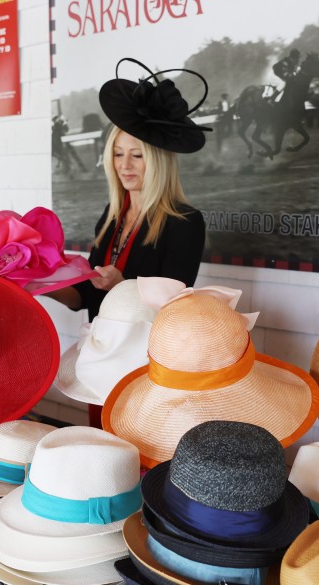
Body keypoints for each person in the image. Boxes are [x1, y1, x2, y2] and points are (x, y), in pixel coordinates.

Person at [47, 58, 209, 424]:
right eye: (118, 154)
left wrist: (123, 286)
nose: (125, 165)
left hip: (146, 373)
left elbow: (174, 310)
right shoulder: (111, 215)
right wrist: (42, 282)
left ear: (158, 161)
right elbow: (86, 298)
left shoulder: (184, 221)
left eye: (137, 155)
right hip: (100, 364)